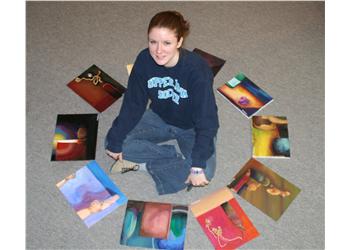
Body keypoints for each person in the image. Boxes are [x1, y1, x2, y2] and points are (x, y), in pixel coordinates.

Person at [105, 10, 219, 195]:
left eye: (167, 43)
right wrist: (116, 140)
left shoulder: (197, 70)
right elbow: (133, 103)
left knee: (206, 171)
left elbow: (207, 120)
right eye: (153, 42)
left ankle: (145, 165)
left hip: (192, 127)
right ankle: (168, 157)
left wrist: (197, 165)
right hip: (160, 118)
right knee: (112, 141)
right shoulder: (143, 60)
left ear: (180, 42)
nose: (158, 50)